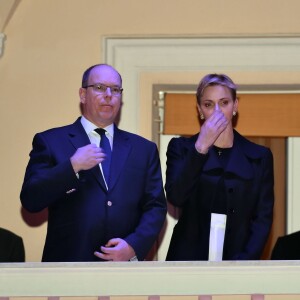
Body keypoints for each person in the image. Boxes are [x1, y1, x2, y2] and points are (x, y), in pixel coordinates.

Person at [20, 64, 167, 262]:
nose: (108, 95)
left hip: (124, 272)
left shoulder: (143, 149)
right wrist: (71, 167)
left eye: (115, 89)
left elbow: (156, 207)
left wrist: (133, 246)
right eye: (99, 87)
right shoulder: (51, 141)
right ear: (82, 94)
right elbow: (31, 199)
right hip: (67, 268)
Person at [165, 73, 274, 261]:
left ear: (235, 106)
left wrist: (244, 263)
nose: (217, 111)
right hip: (188, 261)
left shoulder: (259, 156)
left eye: (224, 103)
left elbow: (262, 219)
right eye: (208, 105)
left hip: (239, 260)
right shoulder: (181, 148)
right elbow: (176, 196)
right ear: (200, 110)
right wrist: (201, 148)